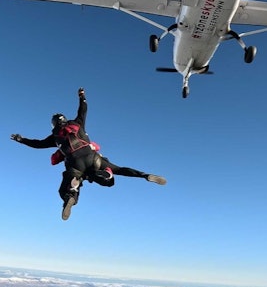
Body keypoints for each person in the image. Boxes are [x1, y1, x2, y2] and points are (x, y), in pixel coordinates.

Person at [10, 87, 166, 220]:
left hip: (75, 164)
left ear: (54, 124)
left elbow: (37, 144)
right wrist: (82, 96)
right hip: (93, 158)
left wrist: (21, 139)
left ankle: (71, 193)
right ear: (65, 120)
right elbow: (83, 110)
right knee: (119, 170)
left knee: (66, 187)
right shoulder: (77, 124)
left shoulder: (54, 137)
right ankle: (141, 175)